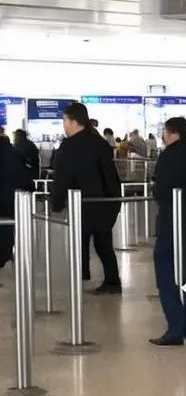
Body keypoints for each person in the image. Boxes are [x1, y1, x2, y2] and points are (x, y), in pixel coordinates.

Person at [50, 101, 122, 294]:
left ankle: (81, 276)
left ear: (73, 121)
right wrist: (114, 202)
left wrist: (55, 203)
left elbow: (62, 178)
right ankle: (112, 281)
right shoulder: (99, 143)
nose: (63, 124)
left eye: (64, 120)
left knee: (79, 241)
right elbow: (112, 177)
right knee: (103, 243)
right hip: (103, 203)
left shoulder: (69, 147)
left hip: (80, 205)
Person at [151, 117, 186, 346]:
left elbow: (161, 190)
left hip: (172, 222)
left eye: (164, 132)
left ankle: (175, 329)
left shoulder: (169, 155)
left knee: (166, 272)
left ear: (171, 133)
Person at [1, 131, 34, 271]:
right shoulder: (13, 153)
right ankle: (4, 256)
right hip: (9, 202)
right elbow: (25, 179)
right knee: (7, 230)